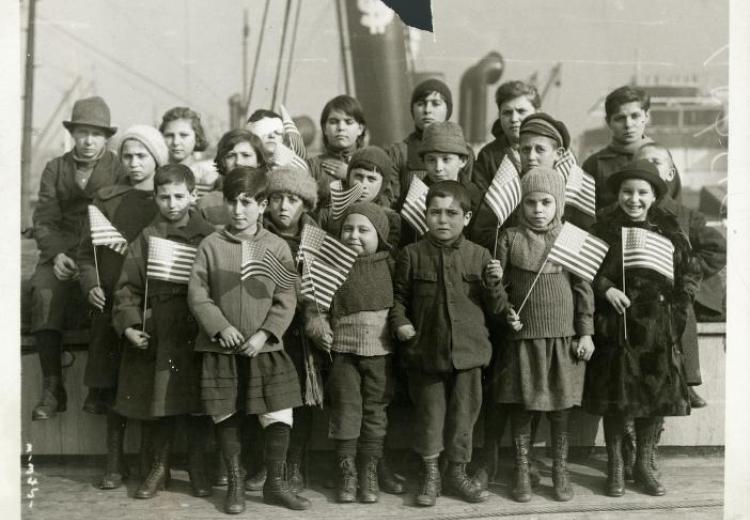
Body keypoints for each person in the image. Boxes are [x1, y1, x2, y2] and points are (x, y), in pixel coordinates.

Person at [188, 168, 311, 513]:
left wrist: (264, 334)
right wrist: (219, 327)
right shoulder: (210, 245)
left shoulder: (275, 246)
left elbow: (286, 297)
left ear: (263, 205)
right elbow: (197, 293)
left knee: (278, 412)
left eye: (247, 202)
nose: (238, 210)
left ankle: (275, 483)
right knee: (225, 412)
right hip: (220, 349)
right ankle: (236, 484)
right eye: (232, 202)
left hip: (265, 349)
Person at [582, 160, 701, 497]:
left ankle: (643, 464)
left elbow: (689, 272)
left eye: (641, 193)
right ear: (618, 193)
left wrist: (676, 308)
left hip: (656, 330)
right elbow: (584, 270)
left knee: (653, 399)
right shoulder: (602, 228)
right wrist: (606, 288)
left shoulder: (669, 229)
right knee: (617, 400)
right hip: (616, 327)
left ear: (653, 196)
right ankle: (616, 466)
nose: (633, 199)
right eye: (627, 192)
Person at [391, 180, 505, 507]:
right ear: (425, 215)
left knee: (463, 418)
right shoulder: (411, 255)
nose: (443, 219)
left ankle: (456, 472)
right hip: (426, 353)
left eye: (452, 213)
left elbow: (497, 309)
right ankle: (431, 474)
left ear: (467, 218)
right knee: (430, 416)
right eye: (435, 212)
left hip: (469, 354)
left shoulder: (481, 256)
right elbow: (398, 299)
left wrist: (495, 284)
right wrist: (400, 322)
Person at [488, 167, 595, 502]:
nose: (538, 209)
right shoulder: (509, 238)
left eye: (546, 202)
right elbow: (500, 291)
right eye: (531, 202)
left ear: (558, 203)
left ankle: (559, 470)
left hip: (562, 340)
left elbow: (583, 289)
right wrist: (503, 306)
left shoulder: (571, 238)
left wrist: (586, 333)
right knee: (523, 406)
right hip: (524, 340)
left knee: (560, 409)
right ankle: (522, 468)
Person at [108, 164, 214, 499]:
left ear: (193, 195)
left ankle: (198, 467)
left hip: (197, 326)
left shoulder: (209, 234)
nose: (171, 203)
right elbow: (127, 288)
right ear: (155, 196)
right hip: (161, 330)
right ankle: (159, 466)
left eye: (179, 196)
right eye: (164, 196)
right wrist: (130, 325)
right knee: (161, 400)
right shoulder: (147, 236)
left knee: (198, 402)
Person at [76, 125, 168, 489]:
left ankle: (149, 461)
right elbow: (86, 254)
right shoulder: (106, 199)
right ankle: (114, 460)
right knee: (114, 383)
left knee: (145, 380)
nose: (134, 163)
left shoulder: (165, 198)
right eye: (128, 156)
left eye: (142, 156)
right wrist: (91, 284)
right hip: (111, 302)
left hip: (150, 305)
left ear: (156, 158)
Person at [29, 96, 125, 420]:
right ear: (72, 134)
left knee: (108, 297)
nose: (88, 141)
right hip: (61, 252)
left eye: (96, 134)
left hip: (101, 252)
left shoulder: (119, 168)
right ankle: (53, 388)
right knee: (43, 293)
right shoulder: (55, 168)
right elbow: (43, 219)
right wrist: (55, 254)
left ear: (106, 138)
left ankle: (102, 388)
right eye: (82, 132)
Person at [306, 202, 396, 504]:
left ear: (380, 235)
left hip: (380, 354)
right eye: (348, 228)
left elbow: (403, 305)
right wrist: (317, 324)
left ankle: (368, 469)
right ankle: (347, 471)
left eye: (363, 230)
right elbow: (313, 303)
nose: (353, 235)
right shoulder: (330, 266)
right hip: (342, 353)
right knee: (346, 410)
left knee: (375, 411)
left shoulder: (391, 265)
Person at [261, 166, 321, 494]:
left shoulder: (315, 239)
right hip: (268, 327)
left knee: (301, 396)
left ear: (306, 204)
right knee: (267, 395)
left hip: (302, 333)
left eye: (293, 199)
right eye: (277, 198)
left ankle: (295, 463)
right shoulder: (257, 235)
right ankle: (268, 464)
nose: (284, 206)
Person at [386, 79, 468, 208]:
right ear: (412, 109)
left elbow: (467, 192)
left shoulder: (462, 150)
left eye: (435, 104)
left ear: (448, 109)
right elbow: (391, 201)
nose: (427, 110)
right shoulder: (399, 151)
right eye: (421, 104)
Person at [399, 121, 480, 247]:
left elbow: (479, 241)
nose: (438, 168)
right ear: (423, 162)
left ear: (462, 161)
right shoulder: (412, 195)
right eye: (431, 160)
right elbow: (404, 239)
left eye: (446, 159)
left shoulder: (475, 196)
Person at [582, 86, 657, 211]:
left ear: (646, 117)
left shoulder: (660, 159)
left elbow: (675, 212)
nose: (628, 124)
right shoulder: (594, 165)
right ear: (608, 122)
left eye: (635, 116)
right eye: (620, 118)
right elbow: (583, 217)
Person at [318, 146, 401, 248]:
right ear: (348, 177)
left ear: (383, 184)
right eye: (358, 176)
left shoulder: (390, 219)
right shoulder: (330, 212)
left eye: (371, 179)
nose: (362, 185)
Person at [472, 81, 540, 193]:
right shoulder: (488, 156)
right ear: (499, 115)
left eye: (521, 111)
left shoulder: (553, 151)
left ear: (537, 113)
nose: (514, 119)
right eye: (507, 113)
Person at [308, 95, 367, 211]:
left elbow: (384, 202)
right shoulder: (312, 166)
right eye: (334, 122)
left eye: (348, 122)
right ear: (325, 128)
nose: (341, 128)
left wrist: (350, 176)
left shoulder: (373, 162)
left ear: (360, 128)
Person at [198, 128, 266, 229]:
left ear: (259, 161)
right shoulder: (207, 203)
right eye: (231, 156)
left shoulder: (273, 197)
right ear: (222, 161)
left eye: (246, 155)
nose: (238, 161)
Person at [160, 106, 219, 196]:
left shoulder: (208, 179)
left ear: (197, 138)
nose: (176, 142)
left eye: (183, 135)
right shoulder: (154, 175)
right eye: (169, 135)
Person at [246, 106, 309, 173]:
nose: (271, 135)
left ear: (282, 138)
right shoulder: (246, 168)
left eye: (277, 131)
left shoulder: (294, 168)